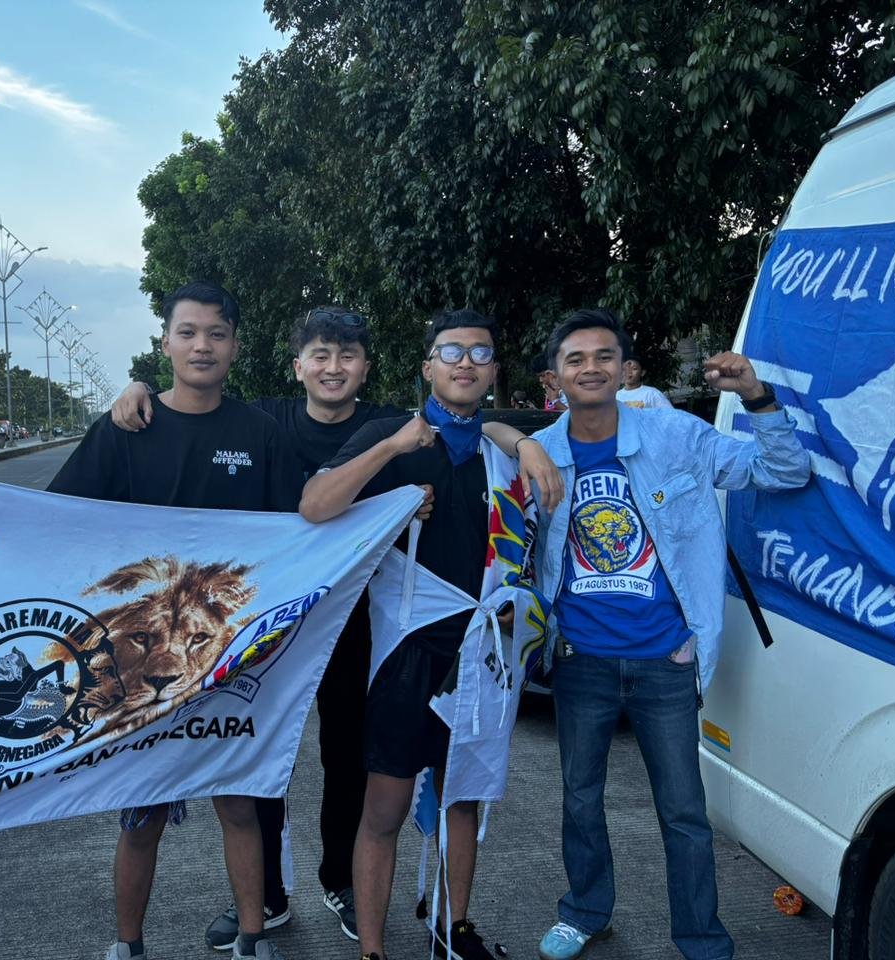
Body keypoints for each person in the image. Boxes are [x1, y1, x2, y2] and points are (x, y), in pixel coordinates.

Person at [109, 307, 562, 950]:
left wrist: (521, 439)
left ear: (367, 369)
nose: (333, 368)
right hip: (277, 625)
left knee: (352, 761)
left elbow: (464, 415)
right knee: (262, 757)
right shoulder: (269, 421)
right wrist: (139, 391)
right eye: (319, 356)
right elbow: (204, 407)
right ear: (297, 366)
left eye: (347, 357)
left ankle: (343, 885)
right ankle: (266, 896)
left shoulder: (394, 423)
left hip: (362, 627)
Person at [529, 310, 810, 960]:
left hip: (666, 660)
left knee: (683, 811)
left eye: (604, 356)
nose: (591, 368)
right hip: (580, 660)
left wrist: (756, 395)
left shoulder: (676, 434)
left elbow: (784, 471)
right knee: (579, 799)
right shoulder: (540, 450)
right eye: (575, 359)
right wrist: (515, 441)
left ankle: (701, 937)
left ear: (625, 368)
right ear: (554, 377)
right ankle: (585, 911)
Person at [53, 281, 301, 960]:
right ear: (165, 342)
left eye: (216, 334)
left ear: (235, 346)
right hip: (147, 667)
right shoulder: (127, 426)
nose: (202, 346)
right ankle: (127, 945)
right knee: (141, 815)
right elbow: (57, 517)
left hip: (227, 657)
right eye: (187, 332)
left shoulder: (260, 433)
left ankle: (252, 938)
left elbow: (300, 531)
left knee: (239, 805)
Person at [300, 308, 520, 960]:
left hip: (479, 652)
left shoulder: (504, 454)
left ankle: (453, 929)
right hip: (406, 653)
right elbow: (315, 505)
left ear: (493, 371)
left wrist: (526, 442)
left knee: (462, 802)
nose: (465, 362)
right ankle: (372, 949)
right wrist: (393, 457)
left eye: (480, 353)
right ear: (427, 367)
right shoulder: (389, 435)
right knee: (385, 808)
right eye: (450, 351)